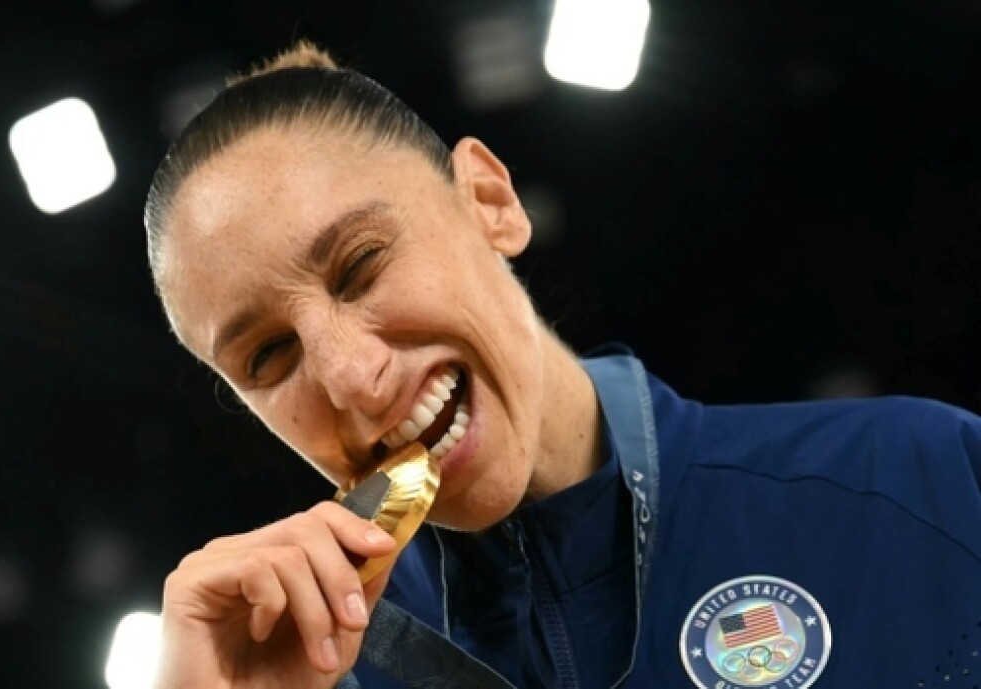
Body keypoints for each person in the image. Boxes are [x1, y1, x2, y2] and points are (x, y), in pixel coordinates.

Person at [141, 40, 981, 689]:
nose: (353, 377)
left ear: (489, 200)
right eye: (269, 354)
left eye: (361, 265)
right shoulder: (317, 674)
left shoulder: (922, 483)